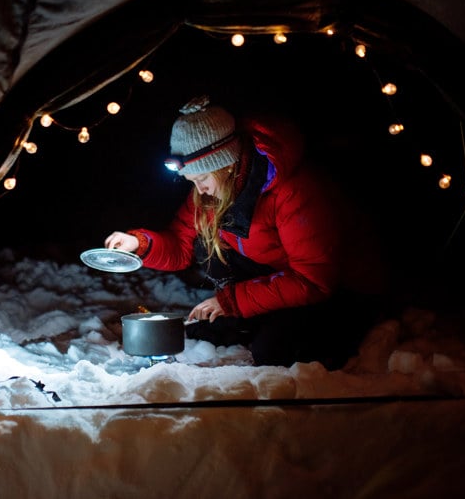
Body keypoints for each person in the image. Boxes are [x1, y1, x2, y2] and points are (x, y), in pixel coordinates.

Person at [105, 95, 386, 369]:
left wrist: (233, 301)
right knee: (208, 265)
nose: (198, 190)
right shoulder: (210, 193)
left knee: (274, 353)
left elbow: (313, 280)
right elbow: (181, 246)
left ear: (226, 164)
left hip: (337, 290)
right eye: (191, 181)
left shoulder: (294, 191)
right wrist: (138, 243)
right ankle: (250, 323)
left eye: (202, 178)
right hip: (281, 280)